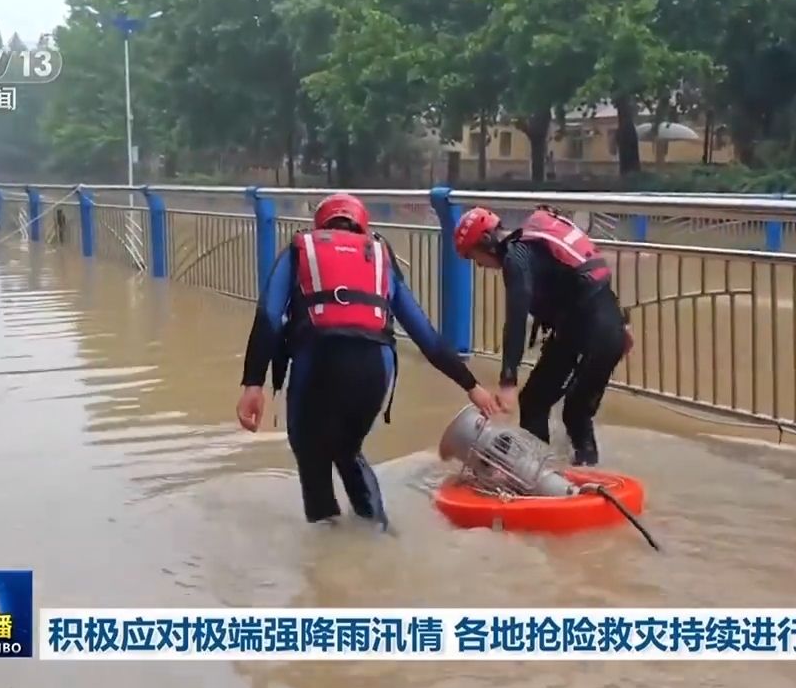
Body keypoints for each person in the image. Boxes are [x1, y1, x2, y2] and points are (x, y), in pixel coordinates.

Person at [236, 193, 500, 530]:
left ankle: (326, 550)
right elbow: (426, 335)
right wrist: (472, 386)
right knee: (347, 450)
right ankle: (379, 534)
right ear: (363, 225)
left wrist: (253, 384)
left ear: (321, 224)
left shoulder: (300, 249)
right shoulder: (380, 256)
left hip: (317, 363)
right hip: (374, 369)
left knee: (312, 453)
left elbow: (269, 318)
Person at [452, 204, 633, 466]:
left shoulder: (517, 256)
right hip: (592, 326)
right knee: (537, 403)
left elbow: (516, 318)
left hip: (594, 331)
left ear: (485, 242)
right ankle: (548, 471)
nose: (479, 266)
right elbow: (588, 270)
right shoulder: (535, 239)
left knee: (572, 413)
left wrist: (508, 381)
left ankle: (570, 480)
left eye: (473, 256)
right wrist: (622, 322)